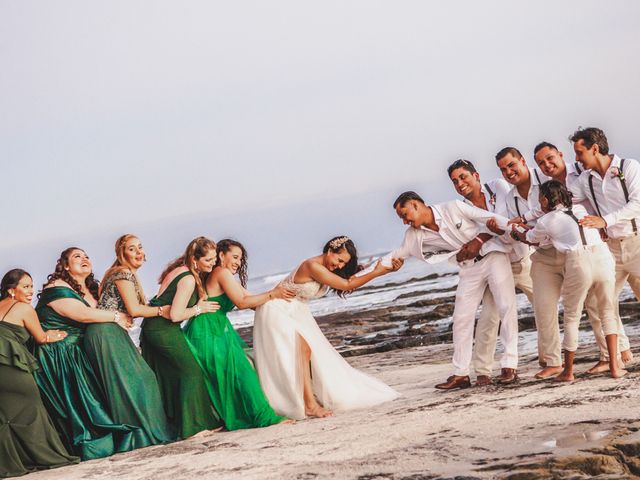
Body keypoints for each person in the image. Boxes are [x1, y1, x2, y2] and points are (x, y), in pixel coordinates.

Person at [253, 236, 401, 419]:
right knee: (303, 350)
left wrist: (385, 270)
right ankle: (309, 405)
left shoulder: (324, 268)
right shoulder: (311, 266)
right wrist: (377, 273)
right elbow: (347, 284)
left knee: (307, 353)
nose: (339, 266)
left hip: (295, 310)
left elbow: (350, 280)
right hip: (276, 309)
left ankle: (309, 399)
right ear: (330, 250)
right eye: (339, 260)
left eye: (343, 263)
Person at [390, 192, 518, 388]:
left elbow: (489, 219)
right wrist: (359, 274)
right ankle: (461, 374)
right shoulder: (413, 236)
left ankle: (510, 365)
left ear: (415, 204)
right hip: (468, 268)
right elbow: (393, 256)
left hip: (493, 257)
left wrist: (521, 228)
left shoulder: (453, 207)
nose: (404, 220)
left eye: (404, 214)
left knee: (506, 307)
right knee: (461, 318)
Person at [510, 181, 626, 380]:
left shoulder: (546, 221)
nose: (539, 204)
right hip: (603, 256)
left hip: (579, 260)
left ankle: (568, 371)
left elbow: (531, 238)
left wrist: (516, 232)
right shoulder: (580, 209)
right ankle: (615, 366)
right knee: (607, 311)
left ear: (546, 199)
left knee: (572, 316)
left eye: (540, 200)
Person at [533, 141, 634, 370]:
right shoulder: (559, 193)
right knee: (602, 305)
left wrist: (604, 223)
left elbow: (604, 201)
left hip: (604, 245)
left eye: (550, 158)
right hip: (599, 250)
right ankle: (614, 358)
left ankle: (589, 364)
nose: (547, 165)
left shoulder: (581, 174)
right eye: (541, 163)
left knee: (580, 311)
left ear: (560, 154)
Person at [34, 248, 137, 460]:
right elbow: (82, 315)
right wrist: (117, 316)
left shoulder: (91, 289)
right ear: (64, 266)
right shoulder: (56, 287)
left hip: (79, 352)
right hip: (59, 353)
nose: (84, 259)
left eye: (87, 256)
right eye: (77, 257)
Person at [184, 239, 295, 430]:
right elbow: (242, 302)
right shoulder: (221, 272)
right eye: (234, 257)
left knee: (238, 371)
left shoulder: (222, 274)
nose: (237, 262)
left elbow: (250, 300)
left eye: (240, 259)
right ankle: (264, 416)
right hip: (207, 331)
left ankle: (250, 413)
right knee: (242, 372)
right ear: (221, 255)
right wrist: (273, 294)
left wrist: (279, 303)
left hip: (214, 329)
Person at [83, 234, 175, 447]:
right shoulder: (123, 273)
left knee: (131, 383)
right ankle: (142, 433)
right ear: (121, 253)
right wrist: (163, 311)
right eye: (132, 249)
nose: (138, 252)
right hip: (106, 332)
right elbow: (134, 309)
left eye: (140, 247)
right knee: (141, 380)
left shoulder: (121, 273)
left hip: (110, 332)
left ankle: (140, 431)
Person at [448, 159, 534, 386]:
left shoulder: (497, 186)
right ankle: (484, 372)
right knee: (488, 319)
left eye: (463, 177)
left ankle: (552, 359)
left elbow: (503, 218)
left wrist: (480, 238)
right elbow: (480, 231)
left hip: (524, 259)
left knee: (546, 309)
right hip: (496, 261)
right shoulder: (461, 210)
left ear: (476, 175)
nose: (460, 183)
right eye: (455, 181)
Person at [569, 127, 640, 371]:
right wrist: (588, 218)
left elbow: (637, 203)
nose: (577, 159)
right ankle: (620, 353)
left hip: (637, 241)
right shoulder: (585, 179)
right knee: (601, 301)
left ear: (595, 148)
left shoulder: (629, 167)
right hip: (611, 248)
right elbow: (572, 202)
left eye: (580, 152)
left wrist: (605, 220)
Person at [140, 236, 223, 438]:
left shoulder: (181, 270)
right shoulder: (187, 279)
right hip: (162, 330)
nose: (213, 263)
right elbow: (175, 314)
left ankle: (192, 423)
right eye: (209, 260)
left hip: (155, 328)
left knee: (173, 375)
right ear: (195, 259)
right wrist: (198, 309)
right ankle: (193, 428)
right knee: (191, 371)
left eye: (214, 259)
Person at [491, 147, 562, 379]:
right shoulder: (510, 197)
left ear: (522, 161)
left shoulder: (545, 178)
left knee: (592, 301)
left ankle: (615, 351)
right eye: (503, 170)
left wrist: (526, 228)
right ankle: (551, 361)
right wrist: (519, 230)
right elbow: (517, 229)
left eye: (512, 165)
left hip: (567, 247)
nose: (509, 172)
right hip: (540, 254)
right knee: (544, 308)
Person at [0, 269, 79, 478]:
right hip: (11, 367)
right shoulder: (23, 308)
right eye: (25, 286)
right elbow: (41, 337)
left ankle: (12, 463)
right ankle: (48, 456)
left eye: (31, 286)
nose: (30, 291)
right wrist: (55, 334)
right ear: (11, 290)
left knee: (5, 416)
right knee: (32, 410)